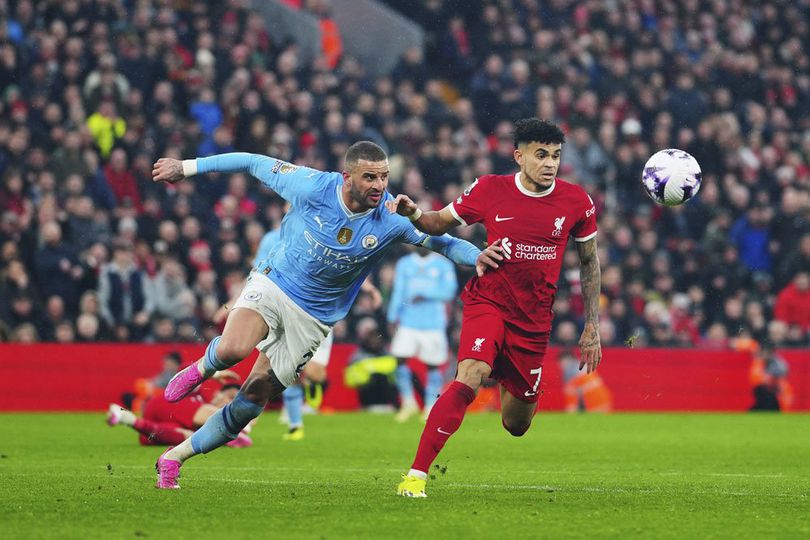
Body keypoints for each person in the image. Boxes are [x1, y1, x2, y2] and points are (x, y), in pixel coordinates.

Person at [149, 141, 502, 489]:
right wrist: (187, 167)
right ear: (347, 177)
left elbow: (444, 243)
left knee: (252, 399)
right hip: (276, 284)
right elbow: (252, 161)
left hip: (315, 319)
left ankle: (174, 458)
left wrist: (478, 257)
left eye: (384, 177)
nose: (379, 185)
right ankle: (202, 368)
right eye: (369, 177)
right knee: (232, 349)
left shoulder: (392, 218)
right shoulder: (312, 185)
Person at [386, 118, 602, 497]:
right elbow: (438, 223)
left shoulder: (576, 202)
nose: (549, 163)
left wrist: (592, 327)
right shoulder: (489, 189)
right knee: (469, 373)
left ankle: (504, 368)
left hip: (533, 322)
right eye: (540, 155)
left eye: (554, 156)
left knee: (516, 425)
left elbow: (589, 264)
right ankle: (415, 476)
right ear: (519, 157)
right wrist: (415, 214)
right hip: (489, 302)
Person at [387, 245, 457, 422]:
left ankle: (430, 406)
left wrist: (425, 293)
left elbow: (450, 291)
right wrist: (392, 316)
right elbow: (398, 291)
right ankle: (408, 402)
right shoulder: (404, 263)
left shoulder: (442, 265)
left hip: (433, 323)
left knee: (432, 365)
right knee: (399, 358)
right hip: (408, 321)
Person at [107, 373, 253, 447]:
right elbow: (184, 372)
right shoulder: (200, 396)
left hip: (156, 426)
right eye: (230, 397)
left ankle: (129, 419)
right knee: (212, 420)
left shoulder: (203, 408)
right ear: (217, 393)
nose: (228, 402)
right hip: (165, 404)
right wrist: (212, 373)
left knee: (185, 436)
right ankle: (230, 433)